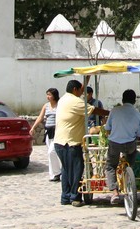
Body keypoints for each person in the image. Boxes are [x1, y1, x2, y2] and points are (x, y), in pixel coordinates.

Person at [54, 77, 109, 207]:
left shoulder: (64, 98)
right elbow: (94, 110)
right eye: (80, 91)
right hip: (70, 143)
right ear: (75, 90)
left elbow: (79, 92)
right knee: (77, 169)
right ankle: (75, 197)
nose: (82, 93)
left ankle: (65, 197)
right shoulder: (75, 102)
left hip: (59, 142)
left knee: (67, 170)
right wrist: (112, 113)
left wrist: (86, 79)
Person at [104, 89, 140, 205]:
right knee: (130, 160)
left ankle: (115, 192)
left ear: (122, 99)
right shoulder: (138, 114)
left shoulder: (115, 111)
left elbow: (107, 128)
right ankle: (129, 176)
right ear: (134, 101)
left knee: (111, 166)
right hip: (130, 144)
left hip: (114, 143)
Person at [30, 87, 61, 182]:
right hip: (48, 131)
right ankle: (54, 174)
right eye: (47, 94)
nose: (48, 97)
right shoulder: (46, 106)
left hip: (57, 131)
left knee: (52, 151)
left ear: (54, 96)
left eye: (49, 95)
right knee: (50, 153)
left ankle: (58, 172)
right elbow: (40, 117)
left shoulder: (59, 105)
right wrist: (33, 127)